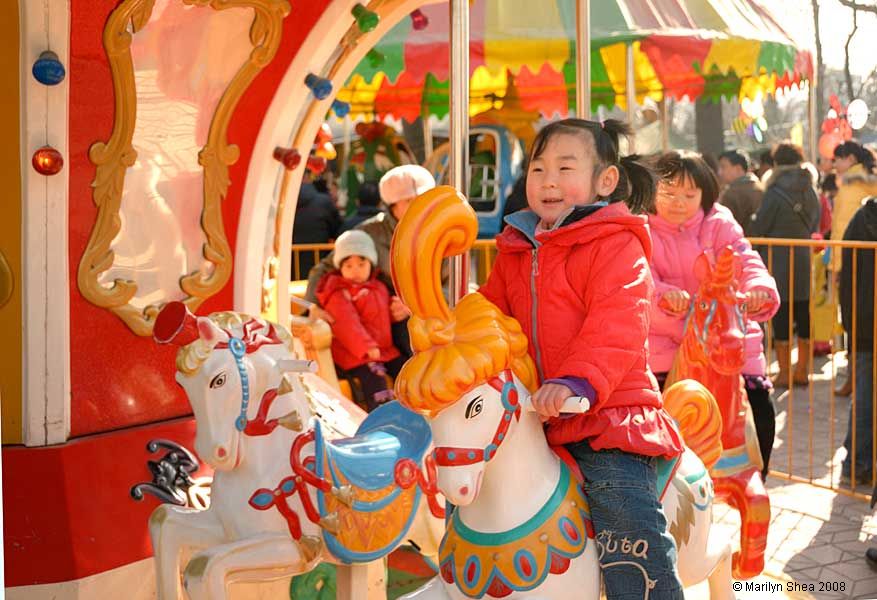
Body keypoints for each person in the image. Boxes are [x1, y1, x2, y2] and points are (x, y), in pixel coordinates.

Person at [479, 118, 685, 599]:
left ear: (604, 181)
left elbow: (617, 322)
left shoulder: (616, 243)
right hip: (535, 415)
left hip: (607, 414)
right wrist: (452, 329)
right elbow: (492, 319)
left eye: (565, 167)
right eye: (537, 168)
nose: (548, 180)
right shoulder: (515, 248)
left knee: (625, 525)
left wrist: (576, 382)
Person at [647, 150, 779, 481]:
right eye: (669, 193)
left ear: (705, 194)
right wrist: (665, 297)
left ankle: (755, 473)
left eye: (689, 195)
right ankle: (660, 487)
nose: (679, 202)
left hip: (726, 339)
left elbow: (745, 259)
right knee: (653, 410)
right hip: (670, 343)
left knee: (759, 401)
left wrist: (759, 287)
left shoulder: (719, 223)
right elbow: (640, 277)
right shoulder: (641, 229)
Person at [305, 164, 439, 358]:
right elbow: (324, 268)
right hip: (384, 321)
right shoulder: (369, 232)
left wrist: (416, 305)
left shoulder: (438, 232)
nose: (419, 206)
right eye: (410, 201)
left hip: (431, 317)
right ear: (393, 205)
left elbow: (454, 284)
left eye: (423, 200)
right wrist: (313, 305)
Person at [750, 142, 821, 386]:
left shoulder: (773, 191)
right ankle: (803, 370)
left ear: (777, 163)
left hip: (778, 257)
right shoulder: (810, 189)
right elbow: (815, 223)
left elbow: (761, 226)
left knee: (781, 311)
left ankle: (784, 373)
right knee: (804, 311)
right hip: (803, 255)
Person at [315, 230, 405, 411]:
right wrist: (366, 347)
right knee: (375, 377)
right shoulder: (338, 293)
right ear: (340, 268)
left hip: (383, 351)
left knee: (404, 369)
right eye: (348, 265)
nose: (355, 270)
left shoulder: (378, 287)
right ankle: (380, 415)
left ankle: (413, 409)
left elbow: (383, 314)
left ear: (371, 264)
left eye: (361, 264)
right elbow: (347, 324)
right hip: (357, 354)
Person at [829, 141, 877, 395]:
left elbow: (842, 230)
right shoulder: (869, 180)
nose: (834, 164)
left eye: (837, 159)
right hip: (869, 264)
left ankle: (855, 380)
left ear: (848, 158)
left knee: (852, 322)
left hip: (853, 263)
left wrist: (836, 265)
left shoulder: (849, 186)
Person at [839, 197, 877, 486]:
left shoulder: (861, 216)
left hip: (863, 320)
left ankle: (856, 462)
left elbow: (846, 275)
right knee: (864, 394)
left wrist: (850, 322)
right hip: (864, 321)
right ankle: (857, 461)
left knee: (864, 394)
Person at [292, 170, 342, 279]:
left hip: (286, 268)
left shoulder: (281, 204)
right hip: (319, 267)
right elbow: (338, 229)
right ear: (308, 177)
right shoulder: (324, 202)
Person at [717, 149, 763, 235]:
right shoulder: (761, 187)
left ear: (738, 169)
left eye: (723, 167)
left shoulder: (732, 193)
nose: (720, 172)